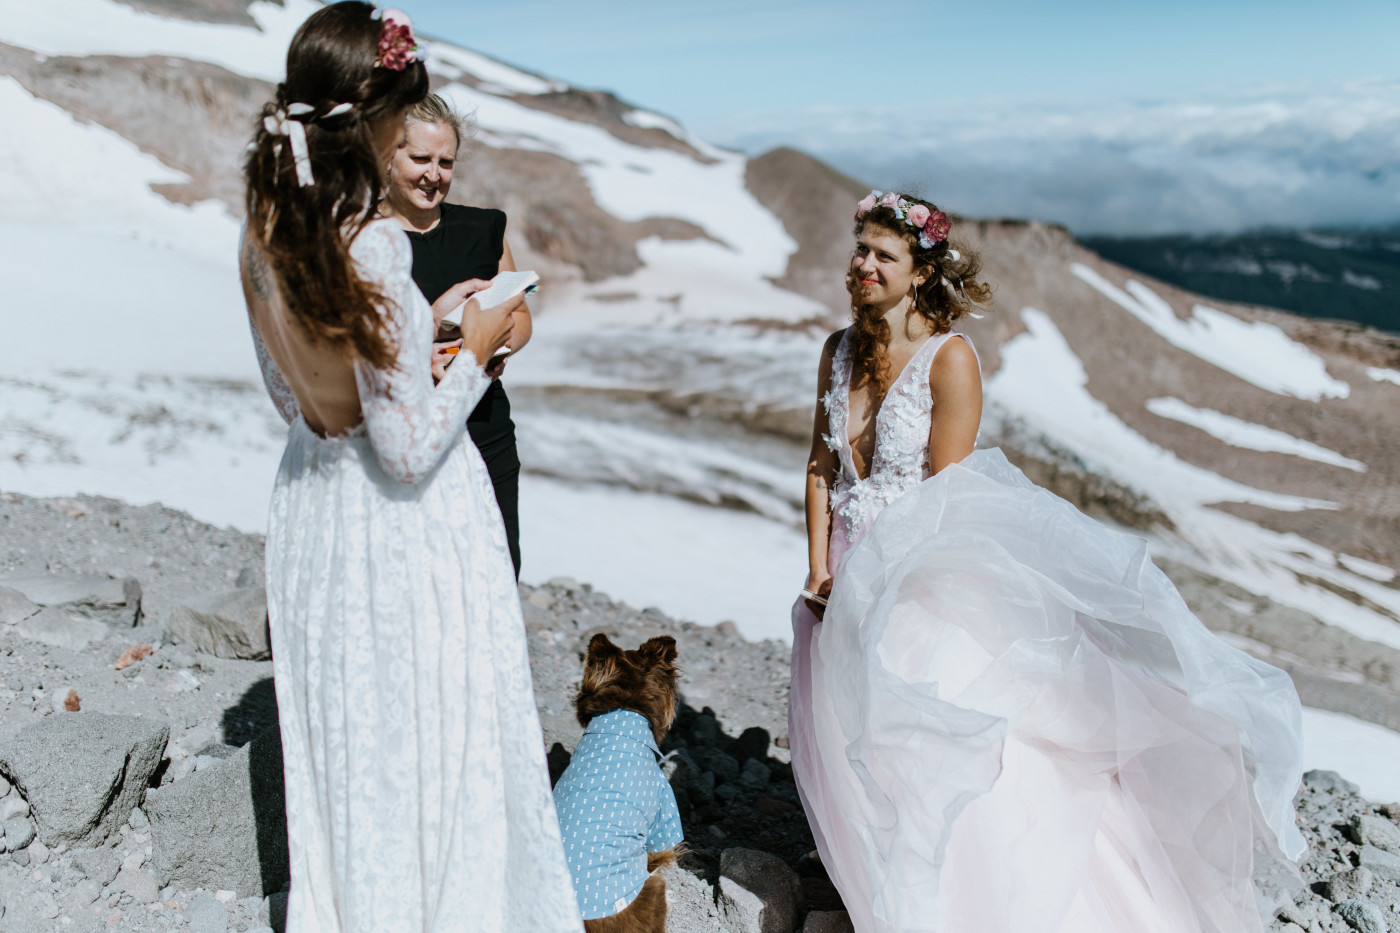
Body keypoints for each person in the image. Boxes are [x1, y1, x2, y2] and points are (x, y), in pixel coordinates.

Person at [789, 190, 1306, 933]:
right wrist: (819, 569)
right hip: (839, 579)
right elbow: (819, 465)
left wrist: (878, 583)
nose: (863, 264)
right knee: (853, 735)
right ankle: (878, 882)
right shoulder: (836, 351)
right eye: (860, 248)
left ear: (921, 270)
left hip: (918, 586)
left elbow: (948, 499)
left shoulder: (950, 359)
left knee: (934, 744)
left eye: (883, 254)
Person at [238, 4, 579, 930]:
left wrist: (410, 329)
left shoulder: (268, 227)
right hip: (402, 532)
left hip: (315, 514)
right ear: (376, 125)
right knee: (432, 751)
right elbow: (408, 446)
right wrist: (472, 342)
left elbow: (301, 401)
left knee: (355, 756)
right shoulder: (377, 243)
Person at [378, 94, 529, 577]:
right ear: (386, 155)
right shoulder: (360, 238)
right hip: (402, 435)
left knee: (496, 569)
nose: (433, 174)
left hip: (485, 427)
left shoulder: (484, 229)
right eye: (420, 158)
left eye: (445, 162)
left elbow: (520, 315)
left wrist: (492, 346)